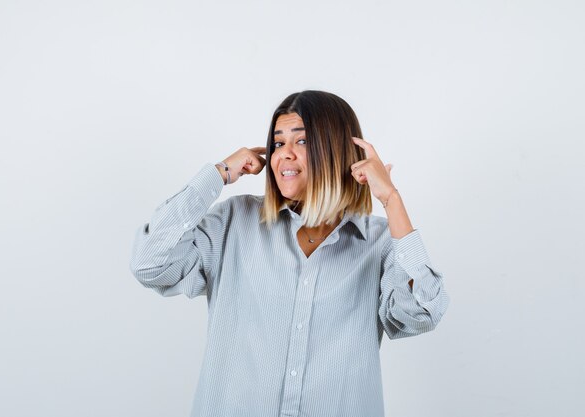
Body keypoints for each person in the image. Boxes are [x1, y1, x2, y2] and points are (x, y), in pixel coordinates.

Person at [129, 90, 450, 417]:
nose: (285, 155)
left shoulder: (381, 243)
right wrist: (218, 173)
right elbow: (151, 264)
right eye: (278, 143)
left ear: (338, 151)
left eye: (303, 142)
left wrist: (391, 199)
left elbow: (420, 314)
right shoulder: (233, 222)